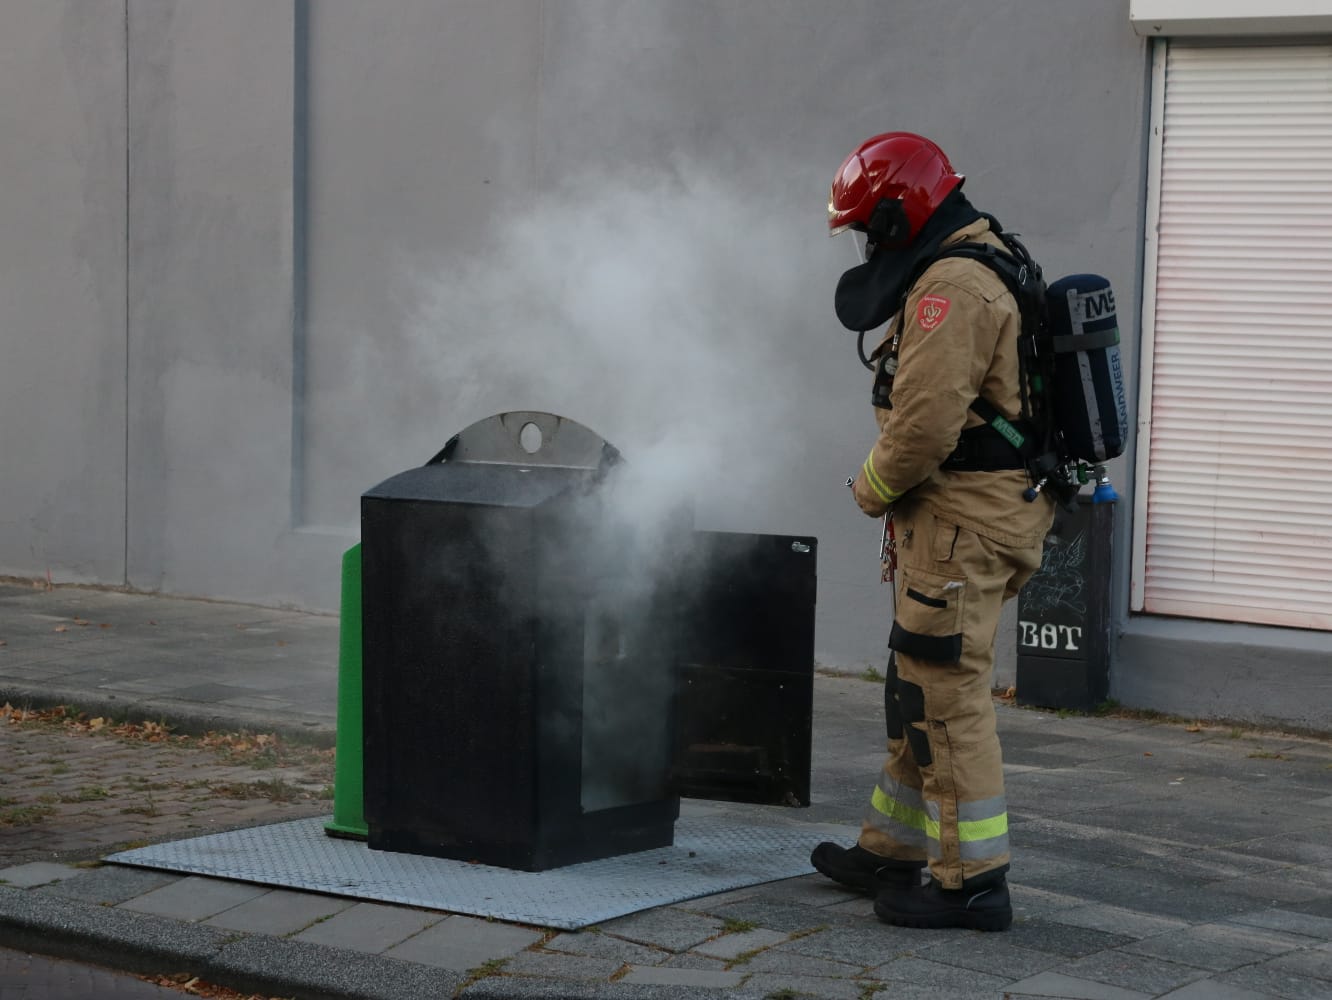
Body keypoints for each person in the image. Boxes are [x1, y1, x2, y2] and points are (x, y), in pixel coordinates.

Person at [811, 132, 1056, 932]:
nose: (866, 244)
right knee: (916, 681)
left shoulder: (953, 284)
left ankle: (971, 882)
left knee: (945, 694)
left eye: (867, 227)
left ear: (897, 210)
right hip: (969, 517)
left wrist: (869, 490)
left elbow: (922, 428)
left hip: (960, 525)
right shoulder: (981, 254)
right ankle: (894, 846)